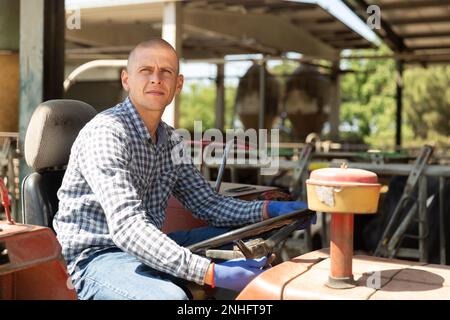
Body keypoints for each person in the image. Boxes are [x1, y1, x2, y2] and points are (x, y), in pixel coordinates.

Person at [53, 39, 315, 300]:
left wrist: (271, 213)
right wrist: (210, 273)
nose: (156, 79)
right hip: (99, 257)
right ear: (126, 80)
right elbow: (127, 227)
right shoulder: (106, 133)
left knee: (255, 236)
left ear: (178, 84)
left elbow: (208, 204)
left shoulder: (171, 140)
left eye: (165, 72)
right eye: (145, 70)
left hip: (148, 242)